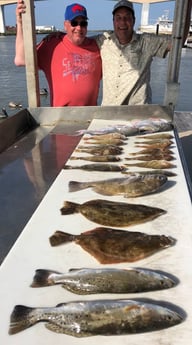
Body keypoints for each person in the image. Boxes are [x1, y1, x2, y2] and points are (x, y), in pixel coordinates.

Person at [95, 0, 192, 106]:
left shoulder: (146, 41)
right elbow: (78, 43)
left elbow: (179, 41)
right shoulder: (103, 41)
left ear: (134, 21)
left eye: (127, 17)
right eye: (118, 18)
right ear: (113, 21)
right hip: (108, 113)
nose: (123, 22)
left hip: (139, 114)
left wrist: (187, 4)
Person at [15, 1, 102, 106]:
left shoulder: (98, 47)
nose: (79, 28)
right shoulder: (51, 44)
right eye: (74, 23)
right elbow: (21, 59)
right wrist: (21, 24)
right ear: (65, 25)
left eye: (83, 23)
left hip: (90, 118)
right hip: (59, 118)